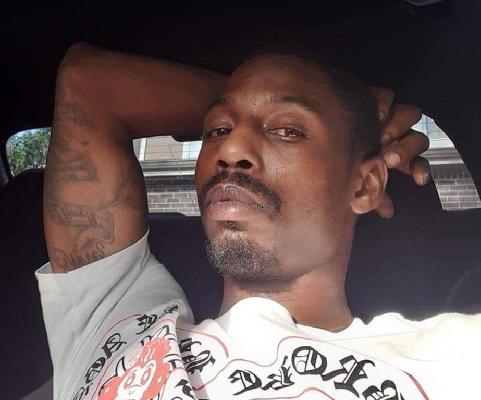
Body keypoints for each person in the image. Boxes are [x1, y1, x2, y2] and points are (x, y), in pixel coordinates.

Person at [36, 42, 478, 400]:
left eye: (287, 130)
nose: (230, 149)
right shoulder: (116, 322)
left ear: (363, 186)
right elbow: (88, 82)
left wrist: (348, 118)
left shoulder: (453, 357)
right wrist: (348, 111)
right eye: (217, 129)